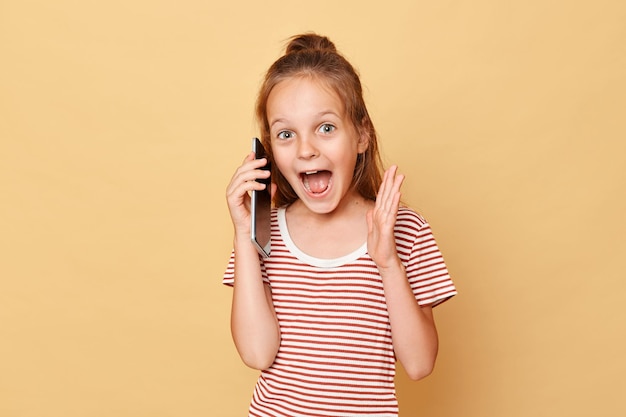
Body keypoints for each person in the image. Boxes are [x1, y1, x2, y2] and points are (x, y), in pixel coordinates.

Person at [223, 32, 457, 417]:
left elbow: (419, 365)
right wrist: (243, 234)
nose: (306, 149)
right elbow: (256, 352)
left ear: (362, 135)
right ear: (268, 150)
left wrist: (387, 263)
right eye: (285, 134)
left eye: (326, 128)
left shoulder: (404, 229)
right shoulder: (260, 232)